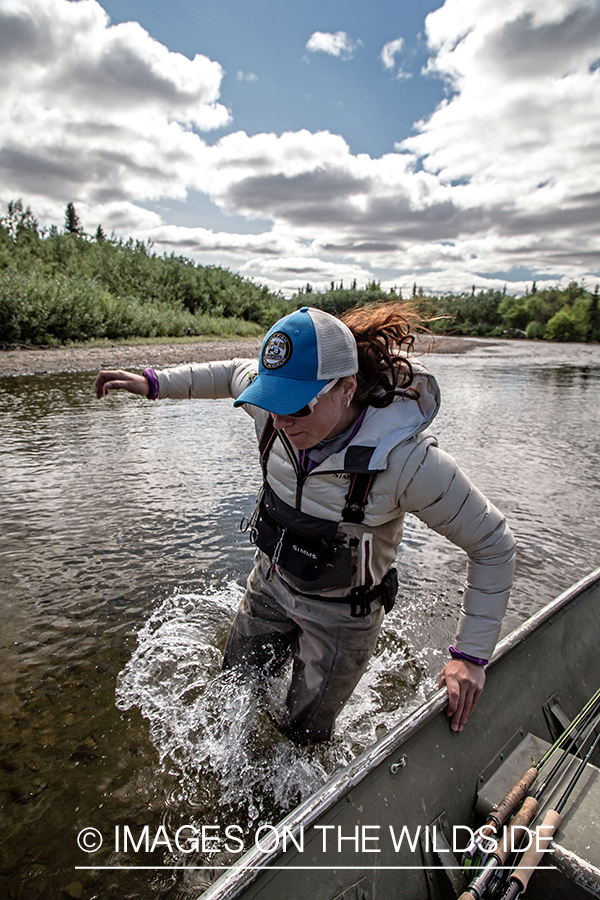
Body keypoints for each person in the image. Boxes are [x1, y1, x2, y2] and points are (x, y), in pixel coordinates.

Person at [95, 304, 516, 745]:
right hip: (270, 586)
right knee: (231, 697)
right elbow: (227, 374)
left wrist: (470, 657)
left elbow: (492, 543)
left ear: (346, 388)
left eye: (297, 407)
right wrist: (154, 383)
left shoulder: (408, 463)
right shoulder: (271, 414)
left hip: (341, 620)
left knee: (304, 738)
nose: (280, 421)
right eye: (271, 402)